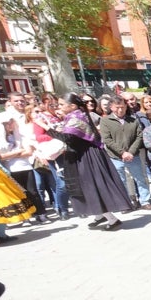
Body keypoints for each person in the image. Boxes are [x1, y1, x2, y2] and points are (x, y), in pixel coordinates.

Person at [52, 93, 132, 230]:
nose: (58, 107)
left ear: (72, 106)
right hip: (83, 156)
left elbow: (68, 139)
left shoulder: (76, 117)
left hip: (87, 158)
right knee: (87, 186)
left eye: (61, 104)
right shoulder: (73, 116)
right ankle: (99, 215)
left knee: (92, 187)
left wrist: (46, 128)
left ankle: (112, 220)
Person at [97, 96, 151, 209]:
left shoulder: (133, 120)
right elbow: (107, 140)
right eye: (117, 107)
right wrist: (122, 152)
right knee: (121, 180)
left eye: (122, 107)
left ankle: (145, 201)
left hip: (133, 155)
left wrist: (131, 152)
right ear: (111, 107)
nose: (120, 110)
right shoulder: (105, 121)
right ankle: (126, 203)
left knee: (141, 178)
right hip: (116, 156)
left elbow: (139, 136)